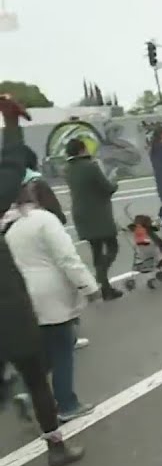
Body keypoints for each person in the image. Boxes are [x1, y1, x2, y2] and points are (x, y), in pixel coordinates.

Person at [3, 178, 99, 424]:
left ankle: (28, 393)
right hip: (50, 294)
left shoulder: (6, 224)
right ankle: (67, 402)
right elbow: (67, 257)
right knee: (63, 348)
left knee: (40, 352)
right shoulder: (43, 219)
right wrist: (89, 286)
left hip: (20, 295)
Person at [64, 137, 122, 300]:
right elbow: (107, 188)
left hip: (81, 214)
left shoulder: (67, 169)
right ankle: (101, 277)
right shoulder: (91, 166)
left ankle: (105, 287)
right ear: (82, 150)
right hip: (98, 214)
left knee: (96, 250)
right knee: (112, 246)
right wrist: (114, 180)